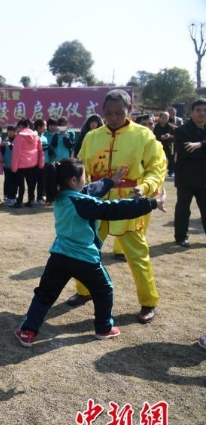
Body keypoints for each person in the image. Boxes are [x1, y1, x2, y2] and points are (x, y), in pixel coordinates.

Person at [15, 158, 166, 347]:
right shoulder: (83, 203)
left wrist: (111, 181)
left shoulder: (60, 196)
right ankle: (103, 328)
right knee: (104, 290)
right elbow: (115, 208)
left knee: (44, 295)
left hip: (59, 257)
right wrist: (151, 203)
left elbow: (90, 190)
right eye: (84, 177)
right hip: (85, 260)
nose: (86, 180)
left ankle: (28, 331)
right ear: (73, 181)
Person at [70, 89, 166, 324]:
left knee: (137, 254)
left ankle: (148, 301)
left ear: (130, 110)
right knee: (86, 247)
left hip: (129, 202)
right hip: (97, 200)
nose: (113, 118)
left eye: (119, 113)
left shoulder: (144, 135)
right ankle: (84, 291)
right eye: (109, 113)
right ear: (103, 112)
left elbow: (156, 166)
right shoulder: (92, 137)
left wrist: (145, 187)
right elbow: (80, 166)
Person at [173, 98, 206, 248]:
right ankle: (181, 237)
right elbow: (185, 152)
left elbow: (195, 151)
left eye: (205, 110)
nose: (202, 113)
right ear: (191, 112)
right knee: (183, 209)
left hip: (204, 177)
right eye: (198, 110)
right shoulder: (182, 130)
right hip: (186, 177)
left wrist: (200, 145)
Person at [11, 118, 44, 208]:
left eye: (18, 126)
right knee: (31, 183)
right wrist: (41, 163)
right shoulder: (36, 136)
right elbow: (41, 151)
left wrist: (14, 167)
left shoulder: (19, 137)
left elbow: (16, 153)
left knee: (21, 185)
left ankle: (19, 201)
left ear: (21, 126)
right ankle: (31, 200)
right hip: (33, 164)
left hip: (21, 165)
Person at [154, 111, 176, 177]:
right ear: (159, 118)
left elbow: (176, 136)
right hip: (158, 145)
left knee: (171, 158)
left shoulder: (171, 127)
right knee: (157, 159)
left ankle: (171, 171)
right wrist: (160, 137)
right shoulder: (155, 127)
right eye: (163, 117)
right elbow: (152, 135)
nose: (164, 119)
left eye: (166, 118)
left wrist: (169, 136)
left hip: (169, 145)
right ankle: (157, 171)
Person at [1, 125, 17, 206]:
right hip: (7, 165)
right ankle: (8, 196)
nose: (10, 133)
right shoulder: (5, 139)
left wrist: (10, 145)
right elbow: (2, 152)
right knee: (8, 181)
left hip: (15, 165)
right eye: (9, 131)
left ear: (15, 132)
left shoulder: (17, 140)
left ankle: (13, 196)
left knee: (15, 182)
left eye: (12, 131)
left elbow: (15, 149)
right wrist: (2, 146)